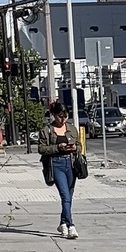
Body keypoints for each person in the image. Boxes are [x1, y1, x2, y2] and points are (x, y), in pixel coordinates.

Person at [39, 102, 79, 237]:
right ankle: (71, 225)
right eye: (60, 116)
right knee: (65, 195)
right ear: (54, 115)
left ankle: (62, 223)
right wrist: (58, 148)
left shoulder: (72, 129)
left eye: (65, 116)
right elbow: (41, 149)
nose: (63, 120)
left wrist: (74, 148)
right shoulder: (47, 130)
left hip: (71, 164)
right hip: (56, 164)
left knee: (69, 197)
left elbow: (79, 146)